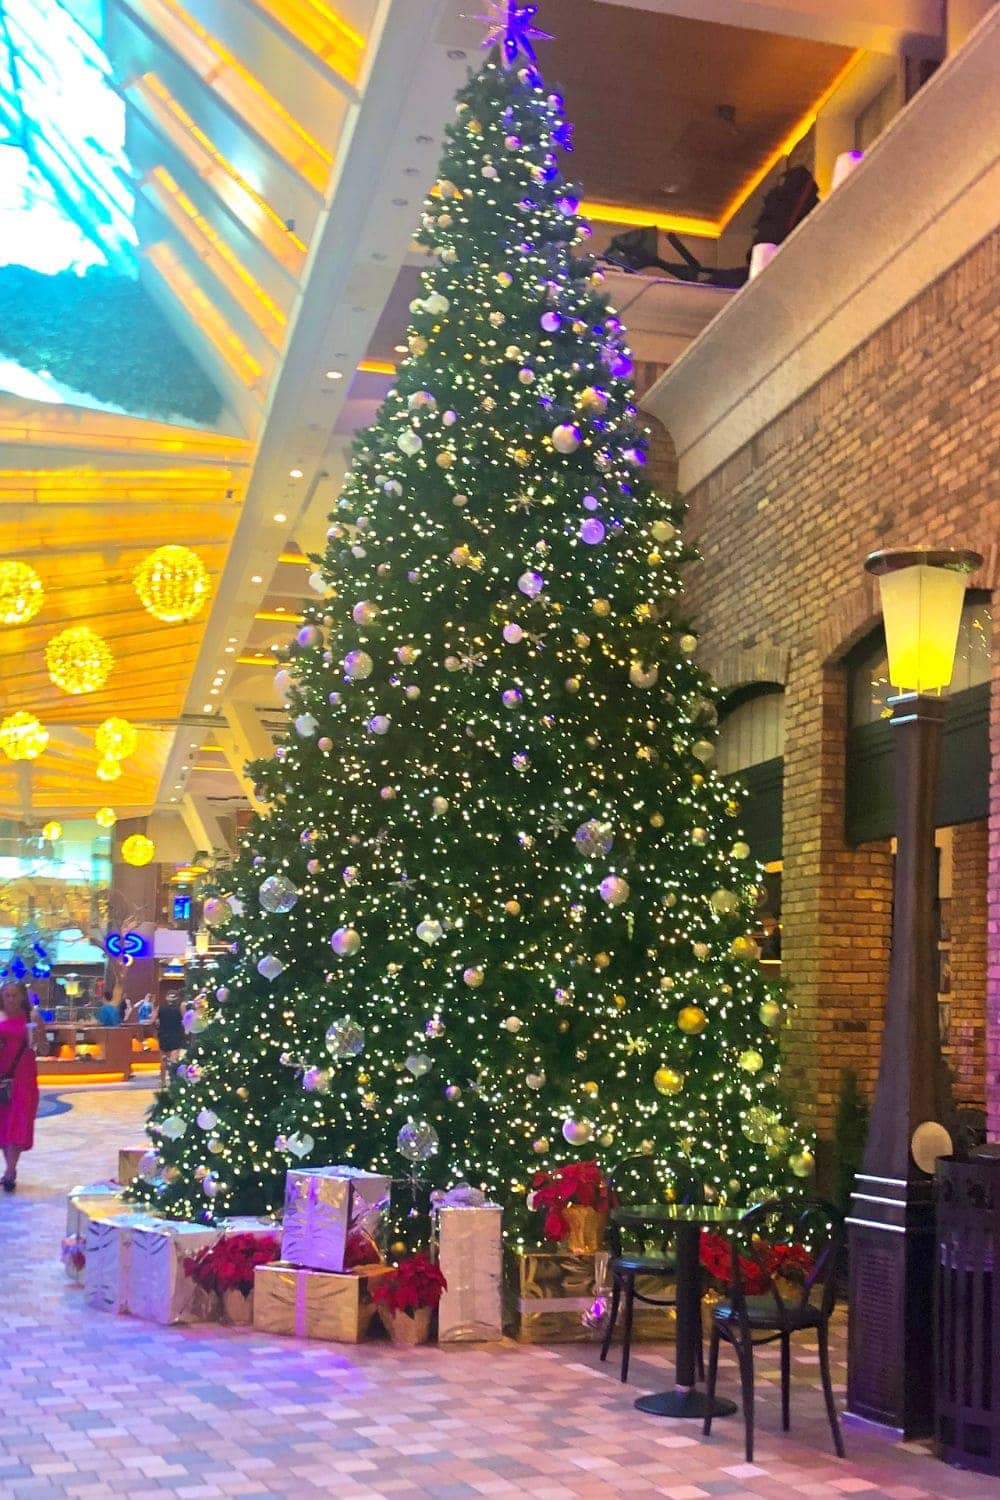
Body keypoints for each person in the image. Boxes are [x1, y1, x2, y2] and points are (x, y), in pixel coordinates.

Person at [0, 980, 40, 1192]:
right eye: (7, 995)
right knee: (4, 1122)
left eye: (14, 995)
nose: (11, 999)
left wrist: (37, 1034)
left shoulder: (30, 1018)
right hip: (2, 1075)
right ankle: (9, 1168)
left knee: (18, 1119)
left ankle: (10, 1170)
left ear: (22, 997)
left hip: (23, 1076)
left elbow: (40, 1043)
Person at [157, 992, 185, 1083]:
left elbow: (152, 1020)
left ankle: (163, 1081)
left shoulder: (160, 1008)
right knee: (174, 1059)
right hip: (176, 1034)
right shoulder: (180, 1007)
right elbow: (185, 1020)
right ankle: (174, 1080)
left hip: (163, 1035)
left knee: (163, 1059)